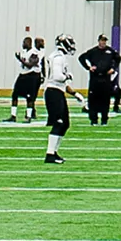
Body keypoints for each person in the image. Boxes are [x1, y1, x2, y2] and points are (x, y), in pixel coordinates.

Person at [41, 33, 78, 164]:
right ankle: (50, 154)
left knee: (65, 123)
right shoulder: (58, 57)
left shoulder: (58, 56)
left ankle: (54, 152)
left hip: (57, 91)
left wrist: (75, 94)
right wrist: (67, 76)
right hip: (53, 91)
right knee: (59, 122)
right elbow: (57, 76)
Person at [78, 35, 119, 125]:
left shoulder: (110, 51)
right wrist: (88, 67)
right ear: (99, 41)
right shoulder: (93, 51)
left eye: (104, 41)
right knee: (93, 100)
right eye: (102, 40)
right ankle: (94, 119)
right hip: (95, 78)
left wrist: (113, 68)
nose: (103, 42)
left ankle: (104, 119)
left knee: (105, 99)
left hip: (106, 78)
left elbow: (118, 59)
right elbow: (81, 58)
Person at [10, 36, 44, 122]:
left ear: (29, 43)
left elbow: (30, 65)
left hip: (30, 76)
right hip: (22, 75)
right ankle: (13, 116)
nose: (23, 44)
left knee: (30, 97)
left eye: (24, 42)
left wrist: (20, 60)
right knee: (14, 95)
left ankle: (29, 116)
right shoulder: (24, 52)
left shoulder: (34, 53)